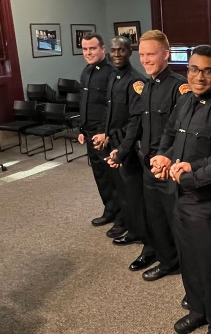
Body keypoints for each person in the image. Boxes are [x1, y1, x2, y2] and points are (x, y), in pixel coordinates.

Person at [152, 44, 211, 334]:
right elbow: (169, 135)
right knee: (187, 259)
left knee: (209, 264)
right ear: (187, 71)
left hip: (204, 201)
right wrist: (162, 155)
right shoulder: (185, 100)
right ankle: (199, 310)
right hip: (178, 195)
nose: (200, 76)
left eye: (207, 70)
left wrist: (191, 175)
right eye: (194, 69)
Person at [108, 30, 188, 281]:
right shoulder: (147, 86)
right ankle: (164, 258)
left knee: (176, 222)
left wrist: (168, 158)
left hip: (168, 167)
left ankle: (182, 265)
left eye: (151, 54)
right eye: (142, 54)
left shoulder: (179, 87)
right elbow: (136, 124)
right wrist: (121, 152)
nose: (145, 59)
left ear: (165, 54)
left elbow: (183, 132)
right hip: (147, 164)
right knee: (153, 218)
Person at [99, 36, 149, 250]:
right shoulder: (113, 76)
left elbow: (135, 121)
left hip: (126, 145)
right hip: (113, 141)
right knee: (120, 189)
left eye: (122, 50)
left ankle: (139, 232)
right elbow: (111, 110)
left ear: (130, 52)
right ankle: (130, 226)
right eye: (113, 50)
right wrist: (105, 133)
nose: (117, 54)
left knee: (132, 192)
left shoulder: (135, 80)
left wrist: (123, 149)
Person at [77, 33, 118, 229]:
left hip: (104, 135)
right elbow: (84, 103)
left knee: (114, 178)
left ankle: (122, 218)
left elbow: (112, 106)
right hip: (89, 133)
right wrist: (81, 129)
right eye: (85, 49)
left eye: (92, 48)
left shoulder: (111, 72)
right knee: (100, 176)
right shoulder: (86, 71)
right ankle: (109, 210)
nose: (88, 52)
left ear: (103, 49)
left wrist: (105, 132)